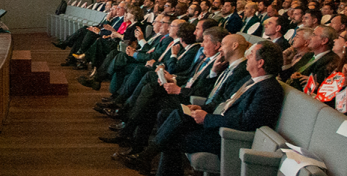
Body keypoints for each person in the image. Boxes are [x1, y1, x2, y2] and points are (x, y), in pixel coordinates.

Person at [119, 41, 285, 175]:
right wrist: (202, 107)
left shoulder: (268, 89)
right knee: (178, 114)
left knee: (173, 136)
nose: (247, 57)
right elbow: (224, 102)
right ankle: (145, 158)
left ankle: (145, 156)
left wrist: (207, 118)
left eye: (251, 56)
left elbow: (247, 121)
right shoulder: (252, 81)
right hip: (217, 123)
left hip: (227, 137)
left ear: (260, 62)